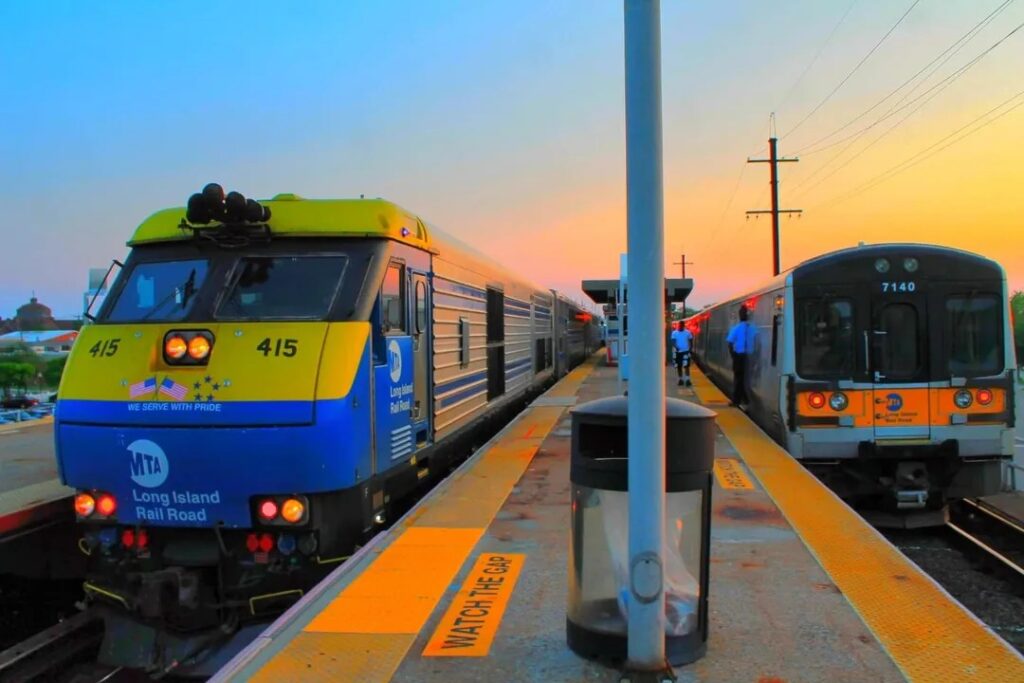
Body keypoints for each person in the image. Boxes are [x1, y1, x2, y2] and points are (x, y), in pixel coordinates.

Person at [726, 305, 754, 407]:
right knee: (743, 378)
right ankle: (744, 399)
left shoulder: (736, 328)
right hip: (749, 356)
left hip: (739, 356)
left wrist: (733, 356)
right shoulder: (752, 328)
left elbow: (729, 343)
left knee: (738, 379)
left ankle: (738, 400)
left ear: (740, 316)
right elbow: (758, 341)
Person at [670, 321, 694, 387]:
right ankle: (680, 379)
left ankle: (687, 380)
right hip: (677, 352)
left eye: (681, 325)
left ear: (683, 326)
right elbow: (673, 341)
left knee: (686, 366)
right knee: (679, 366)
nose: (680, 326)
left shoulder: (688, 332)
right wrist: (676, 347)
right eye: (679, 325)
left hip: (686, 351)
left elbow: (691, 340)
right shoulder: (674, 333)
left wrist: (690, 349)